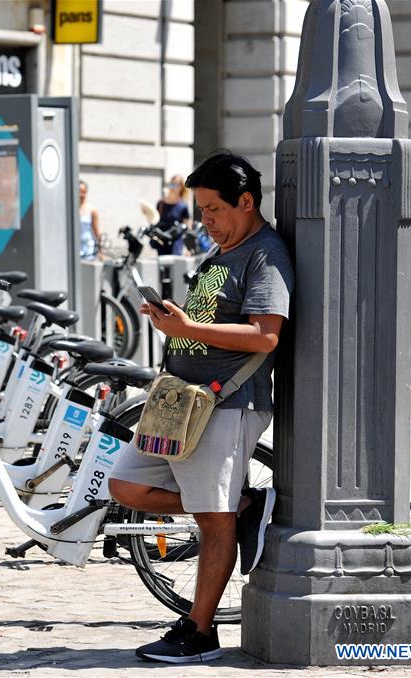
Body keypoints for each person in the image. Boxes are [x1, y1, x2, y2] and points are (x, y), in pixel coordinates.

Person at [109, 151, 294, 664]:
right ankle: (243, 507)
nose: (206, 220)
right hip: (181, 403)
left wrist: (187, 329)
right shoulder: (221, 254)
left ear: (246, 201)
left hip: (226, 403)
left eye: (213, 209)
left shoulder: (265, 254)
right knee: (126, 487)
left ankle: (199, 630)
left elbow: (265, 335)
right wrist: (175, 322)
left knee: (213, 521)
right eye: (202, 210)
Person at [150, 174, 191, 256]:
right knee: (161, 267)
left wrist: (188, 248)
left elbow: (186, 228)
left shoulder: (183, 206)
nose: (173, 187)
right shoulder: (160, 203)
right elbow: (155, 221)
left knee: (175, 268)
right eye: (172, 184)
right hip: (161, 243)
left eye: (176, 185)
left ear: (181, 188)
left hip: (176, 244)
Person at [78, 180, 100, 260]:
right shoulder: (70, 209)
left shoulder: (91, 209)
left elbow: (96, 231)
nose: (81, 195)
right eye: (79, 191)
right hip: (74, 246)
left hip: (87, 246)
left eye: (83, 192)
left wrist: (100, 250)